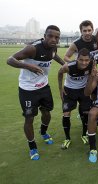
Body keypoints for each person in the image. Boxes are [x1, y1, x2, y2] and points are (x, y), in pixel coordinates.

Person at [6, 25, 64, 160]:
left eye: (57, 37)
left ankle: (43, 132)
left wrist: (64, 64)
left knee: (47, 113)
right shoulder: (33, 48)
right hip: (28, 89)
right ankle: (32, 146)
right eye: (50, 36)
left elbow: (54, 56)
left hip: (44, 87)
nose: (53, 39)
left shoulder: (53, 48)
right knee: (29, 118)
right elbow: (10, 60)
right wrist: (28, 66)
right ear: (44, 36)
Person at [58, 48, 93, 149]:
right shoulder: (69, 66)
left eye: (86, 60)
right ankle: (67, 138)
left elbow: (92, 76)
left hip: (83, 91)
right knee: (66, 114)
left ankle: (83, 135)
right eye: (81, 60)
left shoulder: (91, 65)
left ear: (89, 60)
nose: (84, 62)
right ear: (77, 59)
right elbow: (60, 73)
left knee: (85, 113)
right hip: (69, 91)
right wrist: (60, 89)